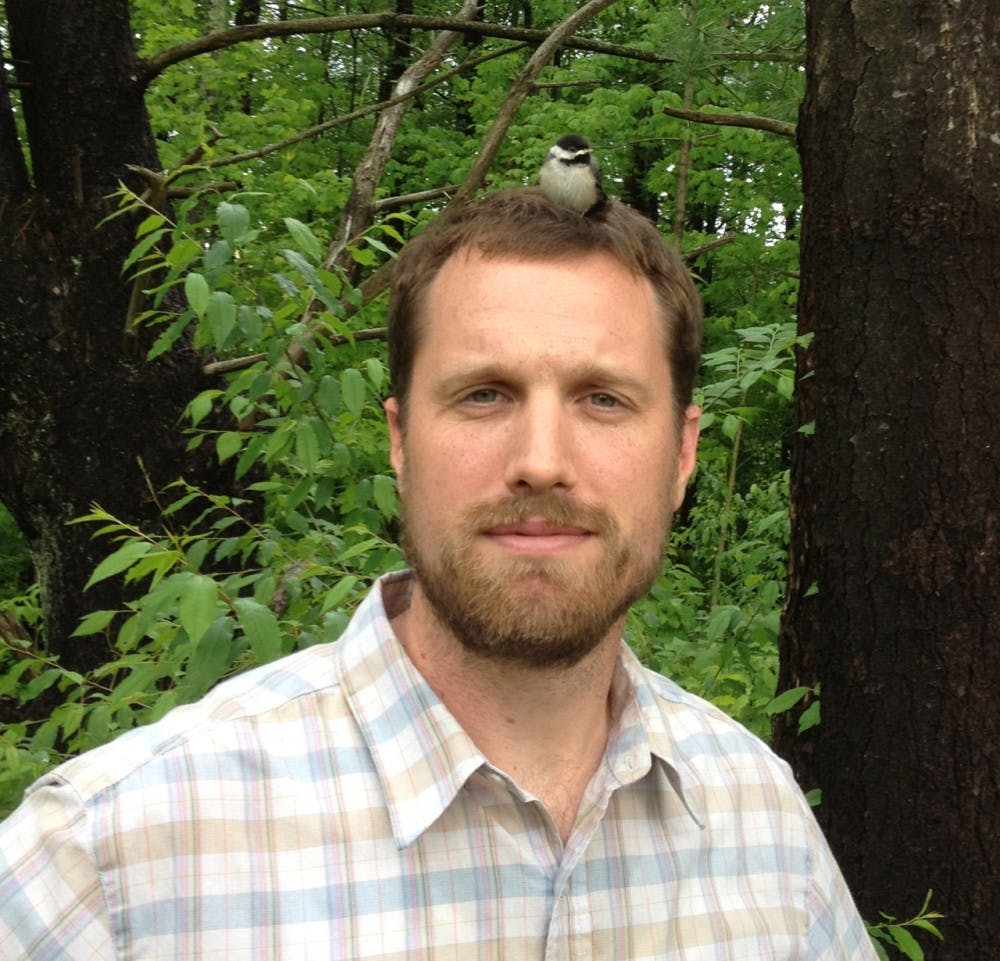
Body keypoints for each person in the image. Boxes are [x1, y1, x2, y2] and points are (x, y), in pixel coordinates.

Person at [0, 188, 877, 960]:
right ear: (399, 439)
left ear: (682, 454)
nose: (541, 461)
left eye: (603, 399)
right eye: (484, 394)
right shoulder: (105, 866)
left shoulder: (763, 826)